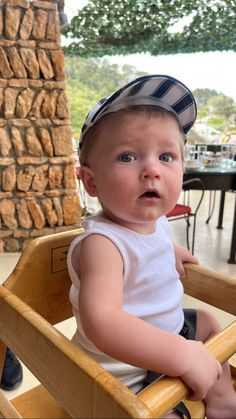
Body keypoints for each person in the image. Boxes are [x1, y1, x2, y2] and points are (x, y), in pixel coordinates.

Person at [67, 74, 236, 418]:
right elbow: (103, 321)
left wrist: (165, 253)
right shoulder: (102, 244)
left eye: (166, 156)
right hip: (123, 371)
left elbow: (143, 250)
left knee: (207, 323)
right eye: (127, 157)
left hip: (168, 333)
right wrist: (180, 354)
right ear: (90, 180)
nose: (151, 170)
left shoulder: (153, 220)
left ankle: (222, 402)